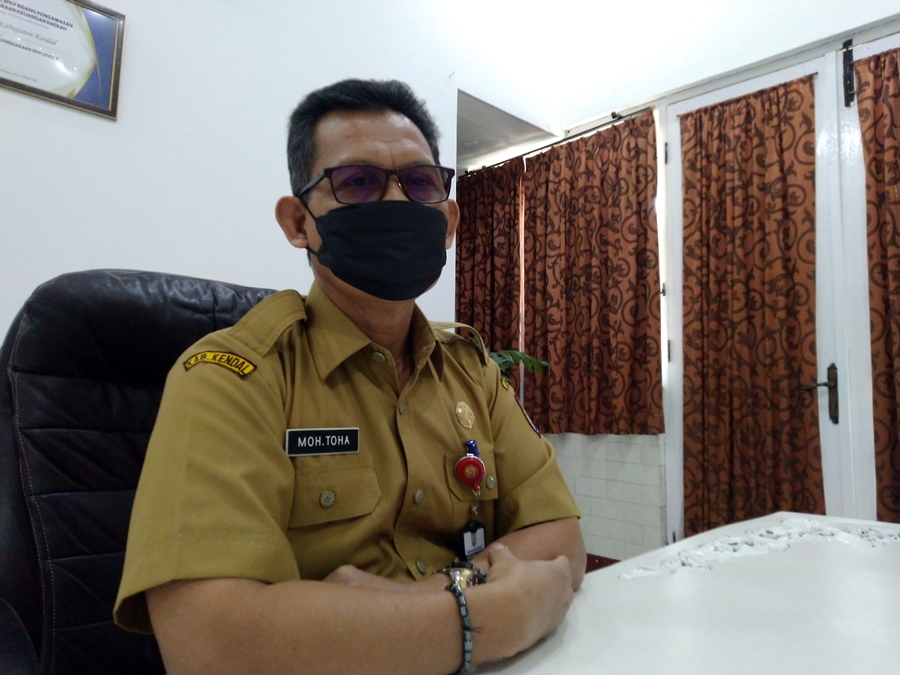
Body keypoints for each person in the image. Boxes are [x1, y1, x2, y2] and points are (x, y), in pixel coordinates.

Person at [114, 78, 585, 675]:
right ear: (299, 223)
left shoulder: (473, 373)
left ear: (447, 222)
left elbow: (559, 535)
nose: (395, 202)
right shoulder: (229, 379)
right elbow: (209, 642)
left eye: (419, 183)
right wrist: (487, 617)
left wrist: (433, 597)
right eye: (357, 183)